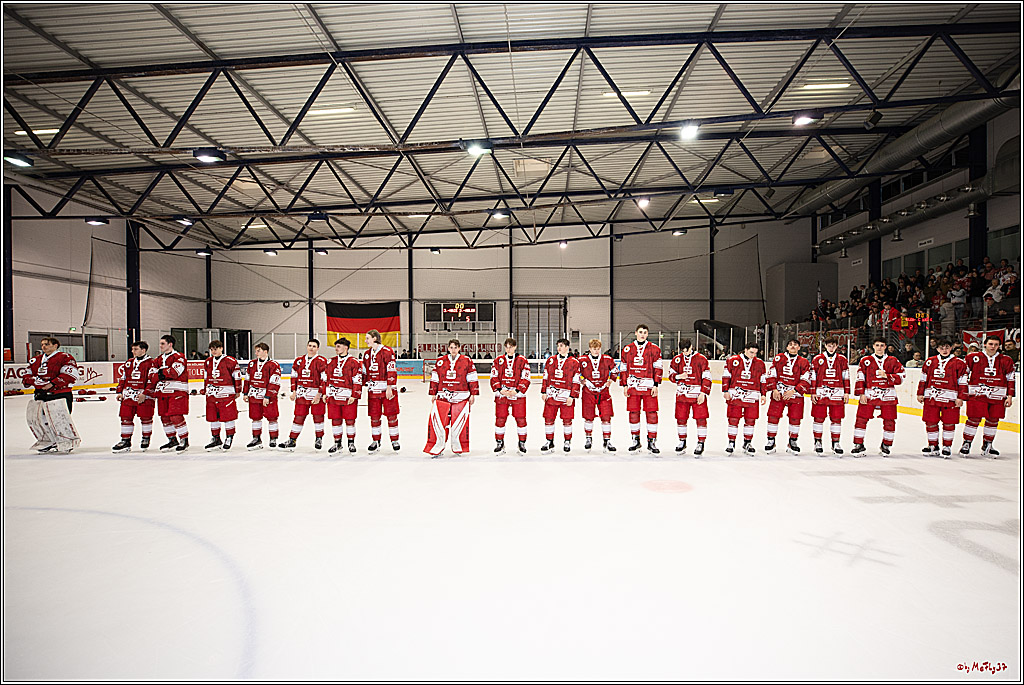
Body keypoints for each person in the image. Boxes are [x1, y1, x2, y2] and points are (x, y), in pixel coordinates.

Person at [22, 336, 82, 453]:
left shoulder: (65, 358)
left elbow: (70, 375)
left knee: (59, 419)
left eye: (47, 344)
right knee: (41, 419)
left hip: (60, 393)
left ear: (55, 346)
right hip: (41, 394)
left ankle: (67, 441)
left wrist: (52, 384)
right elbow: (26, 375)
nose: (43, 346)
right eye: (42, 344)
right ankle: (49, 441)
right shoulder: (36, 360)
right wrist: (34, 381)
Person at [960, 335, 1016, 457]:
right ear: (984, 344)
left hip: (998, 395)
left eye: (996, 344)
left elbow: (1010, 378)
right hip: (977, 394)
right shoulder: (972, 357)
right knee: (973, 419)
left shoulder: (1006, 360)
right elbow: (964, 375)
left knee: (993, 420)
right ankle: (967, 443)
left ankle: (988, 444)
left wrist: (1010, 396)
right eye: (990, 344)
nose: (993, 347)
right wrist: (963, 392)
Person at [424, 339, 479, 457]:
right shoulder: (440, 361)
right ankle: (437, 447)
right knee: (438, 422)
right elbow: (435, 378)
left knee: (459, 423)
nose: (453, 350)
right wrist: (433, 393)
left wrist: (473, 394)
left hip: (461, 396)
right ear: (448, 348)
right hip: (443, 396)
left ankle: (458, 446)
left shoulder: (467, 361)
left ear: (459, 348)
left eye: (455, 347)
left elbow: (472, 377)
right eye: (451, 347)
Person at [852, 338, 905, 456]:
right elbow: (860, 377)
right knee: (861, 419)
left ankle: (886, 444)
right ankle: (858, 444)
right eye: (877, 345)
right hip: (869, 394)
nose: (879, 347)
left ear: (885, 346)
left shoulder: (893, 360)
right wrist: (861, 393)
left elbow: (902, 376)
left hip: (888, 395)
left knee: (890, 420)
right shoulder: (866, 360)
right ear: (873, 346)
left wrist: (887, 375)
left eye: (882, 345)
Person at [917, 338, 968, 458]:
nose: (944, 350)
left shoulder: (959, 363)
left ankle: (947, 446)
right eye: (941, 348)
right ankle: (933, 445)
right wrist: (920, 393)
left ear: (951, 348)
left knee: (949, 422)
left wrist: (961, 397)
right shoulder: (930, 361)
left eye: (947, 347)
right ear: (937, 349)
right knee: (930, 421)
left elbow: (963, 382)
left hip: (950, 398)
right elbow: (923, 379)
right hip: (931, 397)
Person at [618, 324, 663, 455]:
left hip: (649, 386)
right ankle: (635, 440)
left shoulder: (654, 349)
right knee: (633, 413)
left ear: (647, 334)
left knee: (652, 413)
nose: (642, 334)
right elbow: (623, 368)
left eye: (645, 332)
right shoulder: (627, 349)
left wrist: (656, 384)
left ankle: (652, 441)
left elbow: (658, 368)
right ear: (636, 333)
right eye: (640, 332)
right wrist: (625, 385)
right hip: (633, 386)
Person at [765, 339, 812, 455]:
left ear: (799, 348)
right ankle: (771, 440)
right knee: (773, 416)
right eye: (790, 345)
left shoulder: (804, 361)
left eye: (795, 345)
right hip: (779, 393)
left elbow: (806, 378)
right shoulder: (779, 358)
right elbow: (771, 374)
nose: (793, 346)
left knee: (795, 418)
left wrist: (794, 390)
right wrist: (774, 390)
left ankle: (793, 441)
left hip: (795, 394)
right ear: (786, 348)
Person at [280, 339, 328, 451]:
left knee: (318, 417)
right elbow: (294, 376)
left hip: (316, 393)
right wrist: (294, 391)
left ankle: (319, 438)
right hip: (302, 393)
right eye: (310, 345)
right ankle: (292, 440)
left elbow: (324, 379)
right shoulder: (299, 361)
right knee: (299, 416)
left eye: (314, 346)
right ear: (307, 346)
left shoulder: (322, 361)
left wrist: (320, 394)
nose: (311, 348)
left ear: (318, 348)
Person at [721, 342, 767, 455]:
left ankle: (747, 442)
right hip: (736, 394)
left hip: (753, 394)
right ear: (745, 350)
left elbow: (763, 380)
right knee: (733, 419)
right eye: (751, 352)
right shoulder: (732, 360)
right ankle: (731, 442)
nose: (753, 355)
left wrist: (763, 394)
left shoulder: (760, 363)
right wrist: (725, 390)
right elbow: (726, 376)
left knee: (750, 420)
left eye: (755, 353)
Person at [669, 339, 712, 457]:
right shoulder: (677, 359)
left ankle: (701, 442)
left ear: (691, 347)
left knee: (701, 418)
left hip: (697, 393)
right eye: (683, 351)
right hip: (682, 394)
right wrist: (679, 376)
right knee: (681, 418)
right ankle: (682, 441)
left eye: (687, 351)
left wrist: (703, 392)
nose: (685, 353)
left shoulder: (701, 359)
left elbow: (707, 377)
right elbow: (670, 376)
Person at [113, 340, 156, 453]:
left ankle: (146, 438)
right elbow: (123, 378)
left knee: (146, 418)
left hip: (144, 396)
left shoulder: (152, 363)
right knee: (125, 417)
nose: (133, 351)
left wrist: (145, 393)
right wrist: (119, 391)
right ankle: (125, 440)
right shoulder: (129, 362)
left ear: (143, 350)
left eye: (135, 349)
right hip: (128, 395)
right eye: (132, 349)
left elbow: (152, 380)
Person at [809, 337, 850, 456]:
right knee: (818, 418)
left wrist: (846, 392)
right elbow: (813, 376)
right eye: (829, 345)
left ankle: (835, 443)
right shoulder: (818, 359)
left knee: (836, 418)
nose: (831, 348)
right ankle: (817, 442)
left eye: (833, 345)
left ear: (837, 346)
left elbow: (846, 376)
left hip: (837, 393)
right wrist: (813, 392)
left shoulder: (842, 359)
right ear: (825, 346)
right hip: (821, 392)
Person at [150, 334, 190, 452]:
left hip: (177, 391)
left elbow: (174, 372)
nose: (160, 346)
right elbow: (151, 376)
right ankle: (172, 440)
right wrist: (163, 373)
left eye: (163, 343)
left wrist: (160, 373)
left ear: (170, 344)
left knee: (176, 416)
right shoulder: (158, 359)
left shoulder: (179, 357)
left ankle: (184, 440)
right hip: (162, 393)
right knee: (164, 417)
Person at [491, 337, 531, 455]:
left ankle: (522, 443)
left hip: (517, 395)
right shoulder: (498, 360)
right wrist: (500, 389)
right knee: (500, 418)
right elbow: (493, 376)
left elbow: (526, 377)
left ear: (515, 347)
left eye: (511, 347)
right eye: (507, 347)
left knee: (521, 418)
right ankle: (499, 442)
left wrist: (517, 390)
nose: (509, 349)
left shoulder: (522, 360)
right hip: (502, 394)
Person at [362, 329, 400, 453]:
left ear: (374, 338)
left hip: (386, 389)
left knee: (391, 415)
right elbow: (365, 372)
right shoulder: (367, 354)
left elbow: (391, 370)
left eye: (368, 338)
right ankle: (375, 440)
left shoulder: (387, 351)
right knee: (374, 416)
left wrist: (390, 386)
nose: (365, 340)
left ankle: (395, 440)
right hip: (373, 390)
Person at [540, 338, 581, 453]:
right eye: (558, 345)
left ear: (567, 347)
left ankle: (567, 441)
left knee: (567, 420)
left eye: (562, 345)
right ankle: (549, 441)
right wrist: (543, 391)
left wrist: (572, 396)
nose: (559, 348)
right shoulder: (551, 360)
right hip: (552, 395)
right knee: (549, 418)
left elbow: (576, 380)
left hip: (566, 395)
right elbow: (545, 376)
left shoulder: (574, 362)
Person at [323, 337, 363, 454]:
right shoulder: (331, 361)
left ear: (346, 348)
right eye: (336, 346)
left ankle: (351, 443)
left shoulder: (354, 362)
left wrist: (354, 395)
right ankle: (337, 443)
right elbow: (326, 378)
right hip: (333, 396)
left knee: (350, 420)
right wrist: (326, 392)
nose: (336, 348)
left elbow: (358, 379)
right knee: (335, 420)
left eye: (338, 346)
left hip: (348, 396)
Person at [579, 338, 618, 453]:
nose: (596, 351)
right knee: (588, 416)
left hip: (603, 392)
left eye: (598, 349)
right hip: (588, 393)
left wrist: (610, 380)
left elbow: (615, 371)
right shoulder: (582, 360)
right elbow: (576, 373)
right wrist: (583, 380)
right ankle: (588, 439)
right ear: (590, 349)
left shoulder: (607, 359)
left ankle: (607, 441)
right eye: (594, 349)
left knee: (606, 416)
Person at [202, 340, 242, 451]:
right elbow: (206, 377)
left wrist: (238, 390)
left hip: (226, 393)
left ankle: (229, 437)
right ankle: (216, 438)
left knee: (228, 416)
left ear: (221, 348)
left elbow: (237, 376)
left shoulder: (230, 361)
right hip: (212, 394)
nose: (213, 351)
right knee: (213, 417)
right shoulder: (208, 362)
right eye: (212, 349)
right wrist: (205, 389)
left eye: (216, 349)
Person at [244, 342, 281, 450]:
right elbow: (247, 379)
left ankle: (273, 438)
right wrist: (245, 393)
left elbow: (274, 382)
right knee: (255, 417)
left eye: (258, 351)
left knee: (272, 417)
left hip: (267, 397)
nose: (256, 353)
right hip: (254, 396)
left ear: (265, 351)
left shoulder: (273, 365)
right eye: (256, 351)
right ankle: (256, 438)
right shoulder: (252, 364)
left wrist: (268, 396)